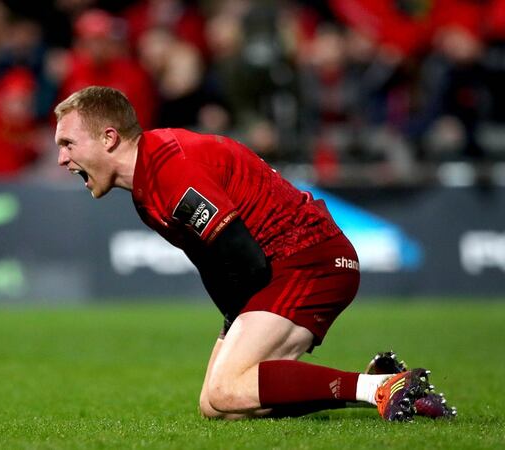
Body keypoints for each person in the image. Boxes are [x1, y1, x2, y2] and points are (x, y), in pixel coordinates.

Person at [53, 85, 456, 421]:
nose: (62, 158)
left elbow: (242, 258)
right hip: (281, 265)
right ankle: (375, 384)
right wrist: (234, 325)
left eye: (68, 143)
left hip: (309, 260)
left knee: (228, 389)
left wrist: (236, 328)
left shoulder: (170, 170)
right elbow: (215, 263)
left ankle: (380, 389)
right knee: (218, 406)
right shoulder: (146, 187)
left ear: (108, 138)